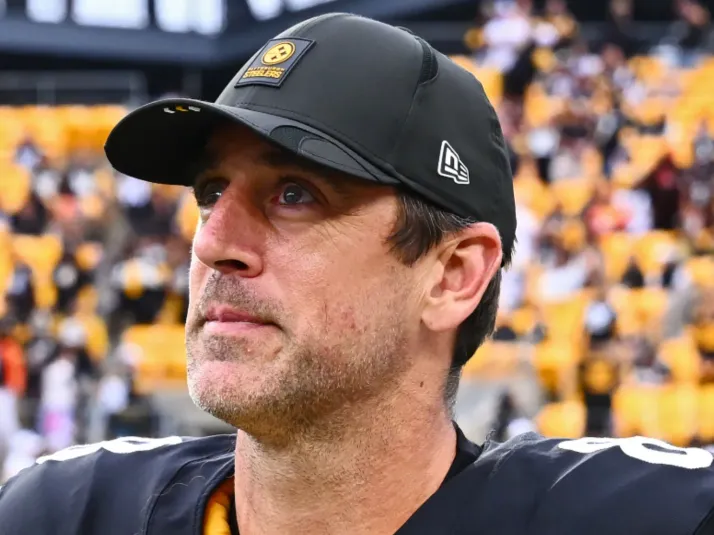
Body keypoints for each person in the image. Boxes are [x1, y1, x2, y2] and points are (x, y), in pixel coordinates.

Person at [1, 13, 714, 535]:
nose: (213, 243)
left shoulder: (650, 515)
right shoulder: (65, 512)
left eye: (294, 194)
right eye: (211, 192)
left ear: (452, 275)